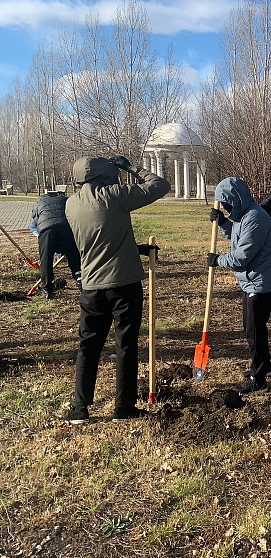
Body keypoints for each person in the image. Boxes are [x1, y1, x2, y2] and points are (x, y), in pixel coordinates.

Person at [63, 155, 170, 424]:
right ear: (104, 176)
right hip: (124, 285)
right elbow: (159, 185)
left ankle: (80, 408)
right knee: (125, 345)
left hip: (91, 287)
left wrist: (135, 250)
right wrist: (129, 167)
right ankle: (123, 408)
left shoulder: (71, 204)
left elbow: (99, 241)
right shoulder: (115, 195)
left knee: (88, 346)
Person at [208, 177, 271, 394]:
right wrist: (223, 222)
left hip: (261, 283)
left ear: (237, 199)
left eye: (226, 203)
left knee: (254, 332)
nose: (225, 207)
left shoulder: (255, 218)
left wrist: (217, 260)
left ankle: (259, 380)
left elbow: (242, 256)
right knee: (253, 328)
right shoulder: (243, 216)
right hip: (252, 281)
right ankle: (265, 366)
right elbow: (237, 237)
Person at [30, 191, 82, 299]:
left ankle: (47, 290)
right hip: (65, 228)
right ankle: (81, 283)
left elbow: (34, 221)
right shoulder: (66, 200)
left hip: (47, 230)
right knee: (74, 257)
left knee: (46, 261)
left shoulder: (39, 202)